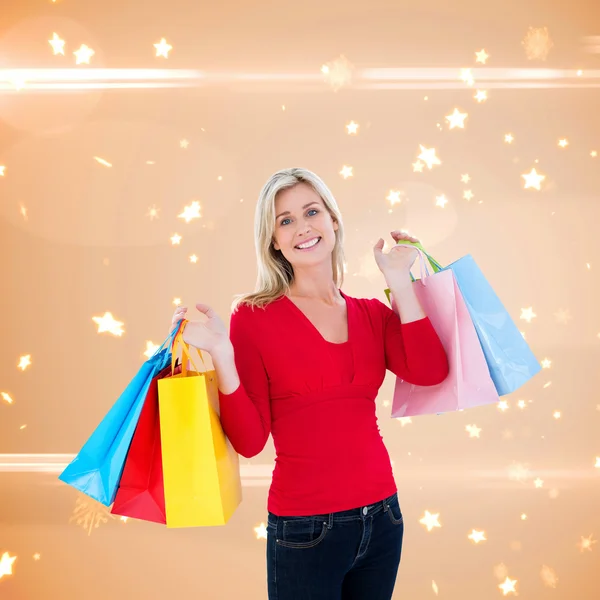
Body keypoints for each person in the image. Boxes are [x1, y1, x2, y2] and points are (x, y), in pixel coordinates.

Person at [169, 167, 449, 600]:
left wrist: (398, 280)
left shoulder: (371, 314)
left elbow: (431, 371)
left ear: (333, 221)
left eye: (312, 211)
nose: (302, 227)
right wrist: (222, 356)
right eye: (285, 220)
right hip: (304, 530)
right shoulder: (254, 317)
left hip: (383, 518)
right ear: (274, 242)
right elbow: (248, 440)